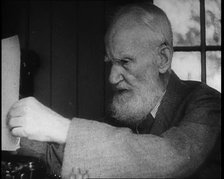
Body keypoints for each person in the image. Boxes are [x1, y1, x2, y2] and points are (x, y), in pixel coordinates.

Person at [7, 2, 221, 179]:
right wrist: (9, 126)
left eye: (125, 62)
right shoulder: (123, 115)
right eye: (111, 62)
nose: (111, 77)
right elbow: (61, 154)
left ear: (162, 59)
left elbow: (174, 156)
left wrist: (63, 127)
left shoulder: (206, 103)